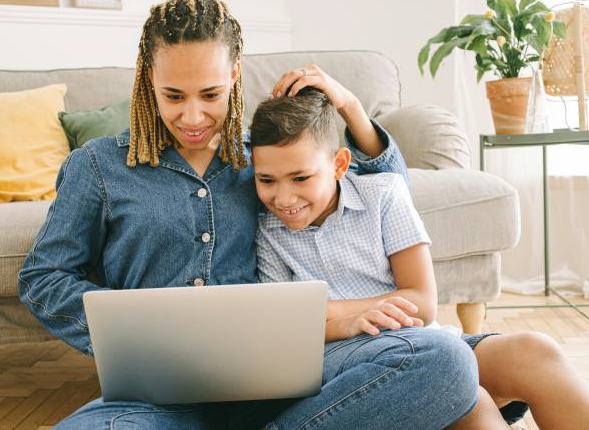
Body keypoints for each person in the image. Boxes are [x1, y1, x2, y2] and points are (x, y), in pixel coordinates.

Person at [18, 0, 480, 429]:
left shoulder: (263, 162)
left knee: (444, 360)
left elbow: (385, 187)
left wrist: (347, 103)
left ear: (235, 75)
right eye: (174, 96)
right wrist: (127, 336)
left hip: (289, 379)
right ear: (147, 80)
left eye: (211, 94)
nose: (194, 116)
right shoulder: (98, 166)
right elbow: (44, 278)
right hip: (156, 397)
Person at [251, 84, 589, 429]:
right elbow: (289, 327)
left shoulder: (383, 195)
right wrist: (347, 320)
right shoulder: (266, 229)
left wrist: (329, 310)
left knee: (535, 351)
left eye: (300, 178)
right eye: (266, 180)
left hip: (424, 342)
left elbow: (423, 302)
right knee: (471, 400)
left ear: (339, 164)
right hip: (344, 361)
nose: (283, 197)